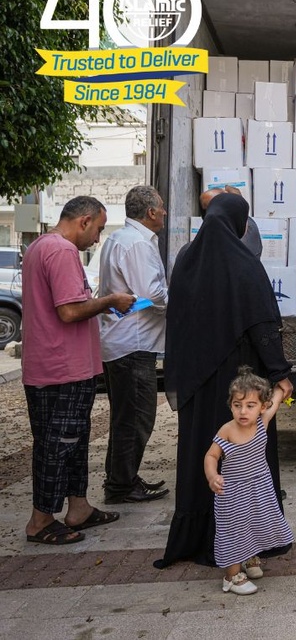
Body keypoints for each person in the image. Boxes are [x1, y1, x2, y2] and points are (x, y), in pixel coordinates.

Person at [156, 193, 293, 568]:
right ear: (238, 223)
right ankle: (244, 540)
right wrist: (280, 373)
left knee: (208, 452)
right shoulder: (243, 263)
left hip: (199, 382)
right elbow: (263, 324)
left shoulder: (187, 260)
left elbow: (177, 320)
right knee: (244, 457)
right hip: (241, 382)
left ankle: (200, 536)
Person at [21, 196, 135, 545]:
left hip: (55, 366)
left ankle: (79, 507)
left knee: (70, 442)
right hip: (62, 369)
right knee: (58, 444)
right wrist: (110, 301)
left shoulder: (41, 246)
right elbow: (69, 311)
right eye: (99, 229)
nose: (98, 238)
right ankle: (41, 520)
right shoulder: (62, 250)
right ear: (84, 221)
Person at [97, 185, 170, 504]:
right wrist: (177, 301)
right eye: (162, 208)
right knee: (137, 418)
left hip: (121, 342)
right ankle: (121, 486)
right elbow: (152, 294)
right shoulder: (138, 243)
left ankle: (121, 478)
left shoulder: (118, 238)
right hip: (133, 343)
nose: (165, 213)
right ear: (151, 212)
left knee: (125, 416)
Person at [205, 366, 293, 595]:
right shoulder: (227, 430)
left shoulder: (262, 422)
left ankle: (250, 556)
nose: (243, 411)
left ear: (261, 407)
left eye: (250, 405)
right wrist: (212, 476)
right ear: (231, 405)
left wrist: (281, 386)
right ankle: (232, 576)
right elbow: (211, 455)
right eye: (237, 405)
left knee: (256, 523)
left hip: (259, 488)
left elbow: (275, 399)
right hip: (233, 492)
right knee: (233, 530)